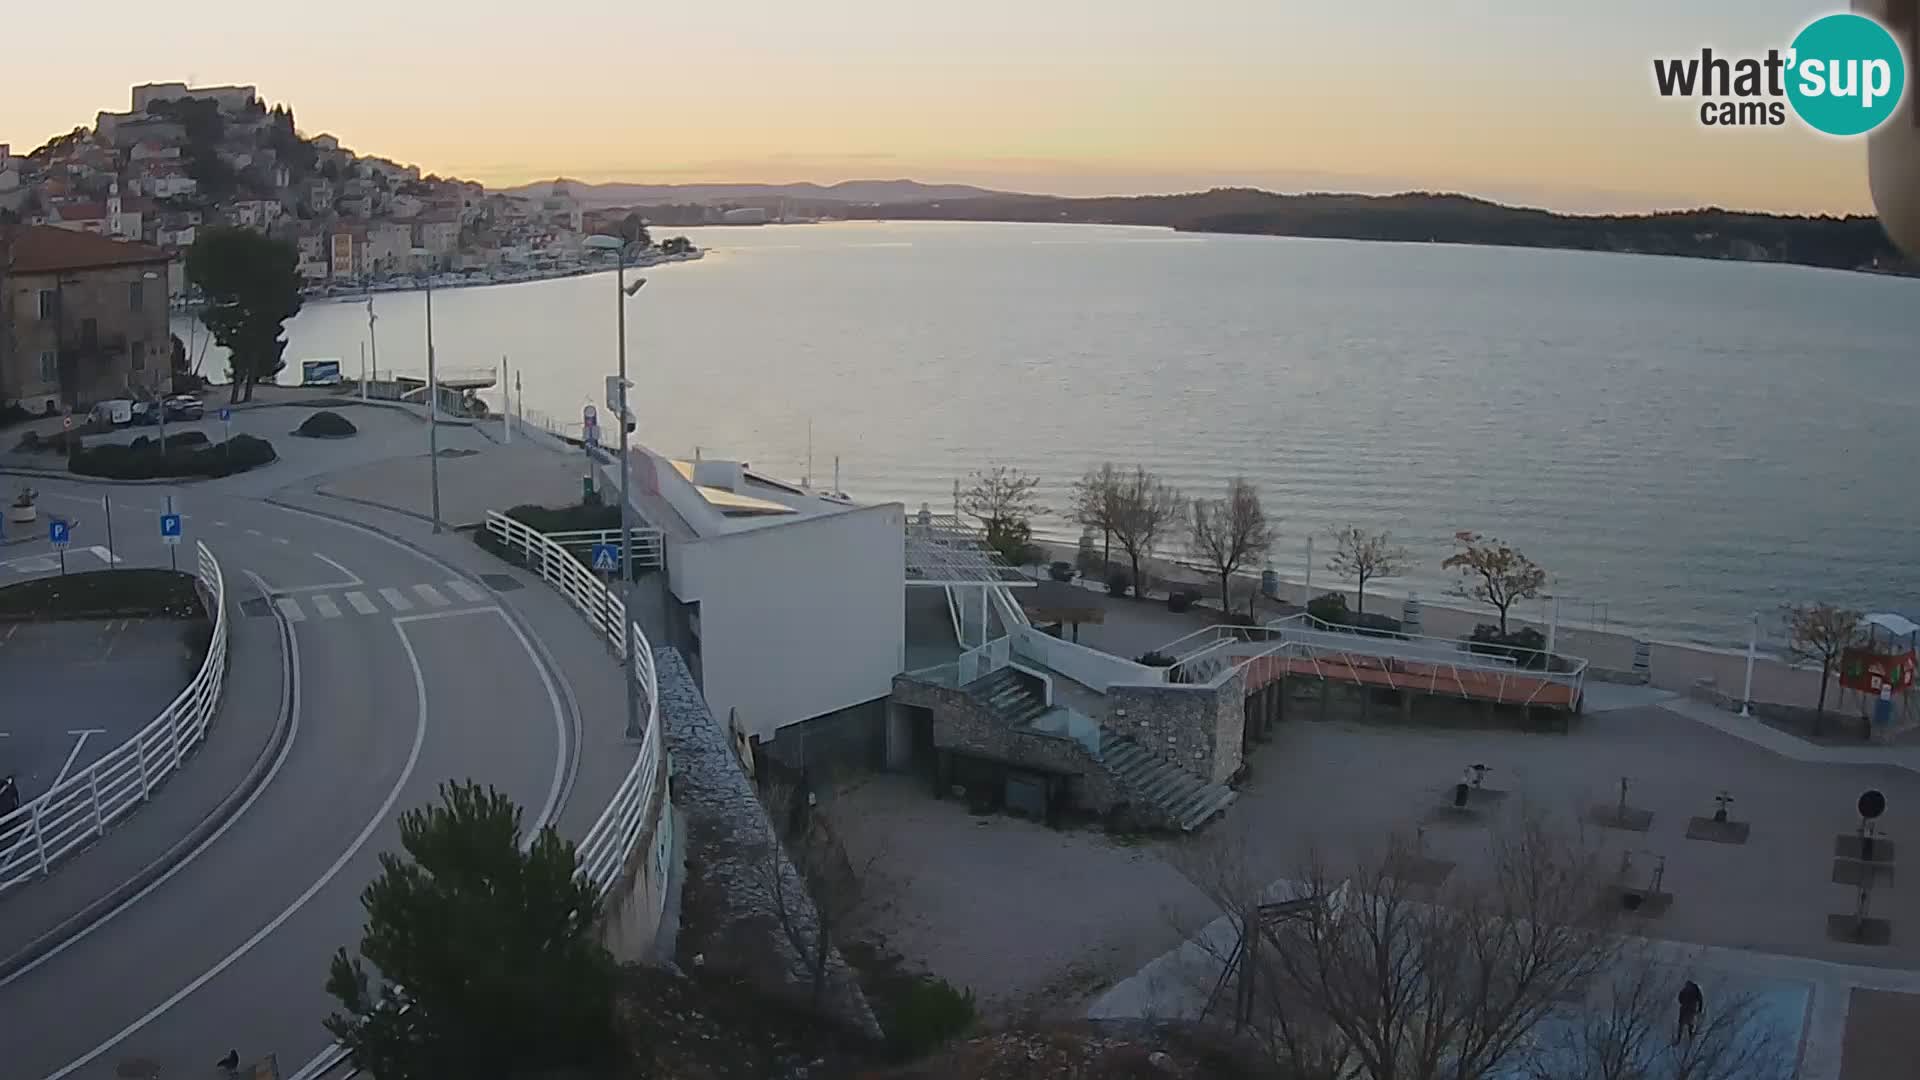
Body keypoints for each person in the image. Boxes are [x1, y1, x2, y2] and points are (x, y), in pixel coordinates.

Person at [1675, 979, 1704, 1044]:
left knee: (1682, 1024)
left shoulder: (1689, 990)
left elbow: (1680, 999)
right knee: (1689, 1024)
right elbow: (1700, 1000)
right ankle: (1689, 1039)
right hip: (1690, 1009)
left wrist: (1683, 1003)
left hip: (1686, 1009)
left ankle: (1680, 1039)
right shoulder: (1695, 990)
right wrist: (1699, 1009)